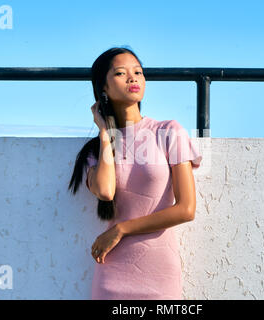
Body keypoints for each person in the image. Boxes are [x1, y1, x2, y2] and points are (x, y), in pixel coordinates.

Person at [68, 46, 202, 300]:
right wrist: (106, 135)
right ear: (103, 88)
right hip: (112, 275)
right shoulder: (94, 151)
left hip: (159, 274)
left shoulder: (168, 132)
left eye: (138, 72)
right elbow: (106, 192)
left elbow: (186, 209)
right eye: (120, 73)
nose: (133, 78)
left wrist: (121, 230)